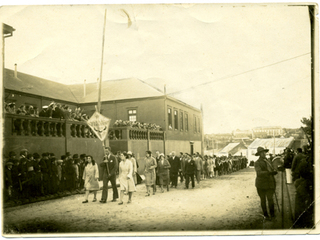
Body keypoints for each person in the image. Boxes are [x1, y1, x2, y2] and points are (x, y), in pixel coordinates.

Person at [254, 146, 277, 220]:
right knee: (263, 200)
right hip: (261, 184)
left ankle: (272, 215)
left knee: (270, 199)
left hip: (270, 183)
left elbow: (272, 168)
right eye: (262, 152)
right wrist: (269, 172)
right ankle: (266, 215)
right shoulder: (257, 163)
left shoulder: (268, 161)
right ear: (259, 154)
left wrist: (274, 171)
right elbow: (259, 173)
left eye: (264, 152)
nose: (264, 154)